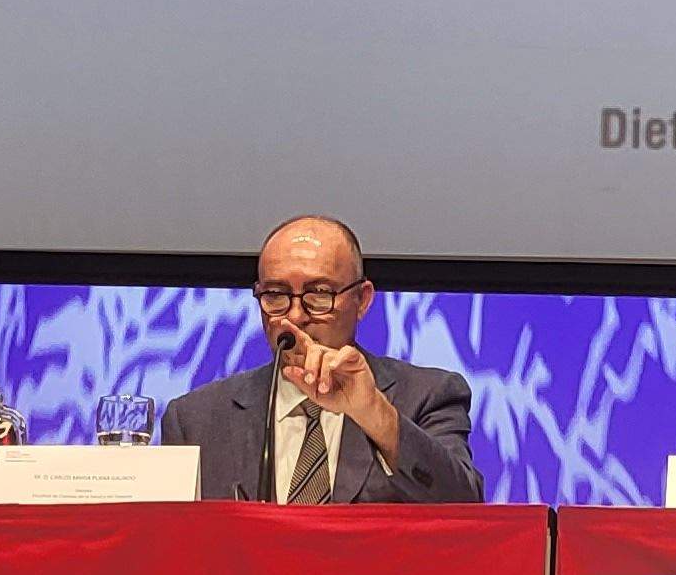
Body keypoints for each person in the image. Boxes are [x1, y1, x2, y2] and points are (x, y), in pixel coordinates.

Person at [162, 216, 484, 504]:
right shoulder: (197, 419)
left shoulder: (427, 395)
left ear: (362, 300)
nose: (295, 316)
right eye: (275, 295)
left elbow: (465, 506)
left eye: (319, 295)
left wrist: (374, 413)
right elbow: (169, 538)